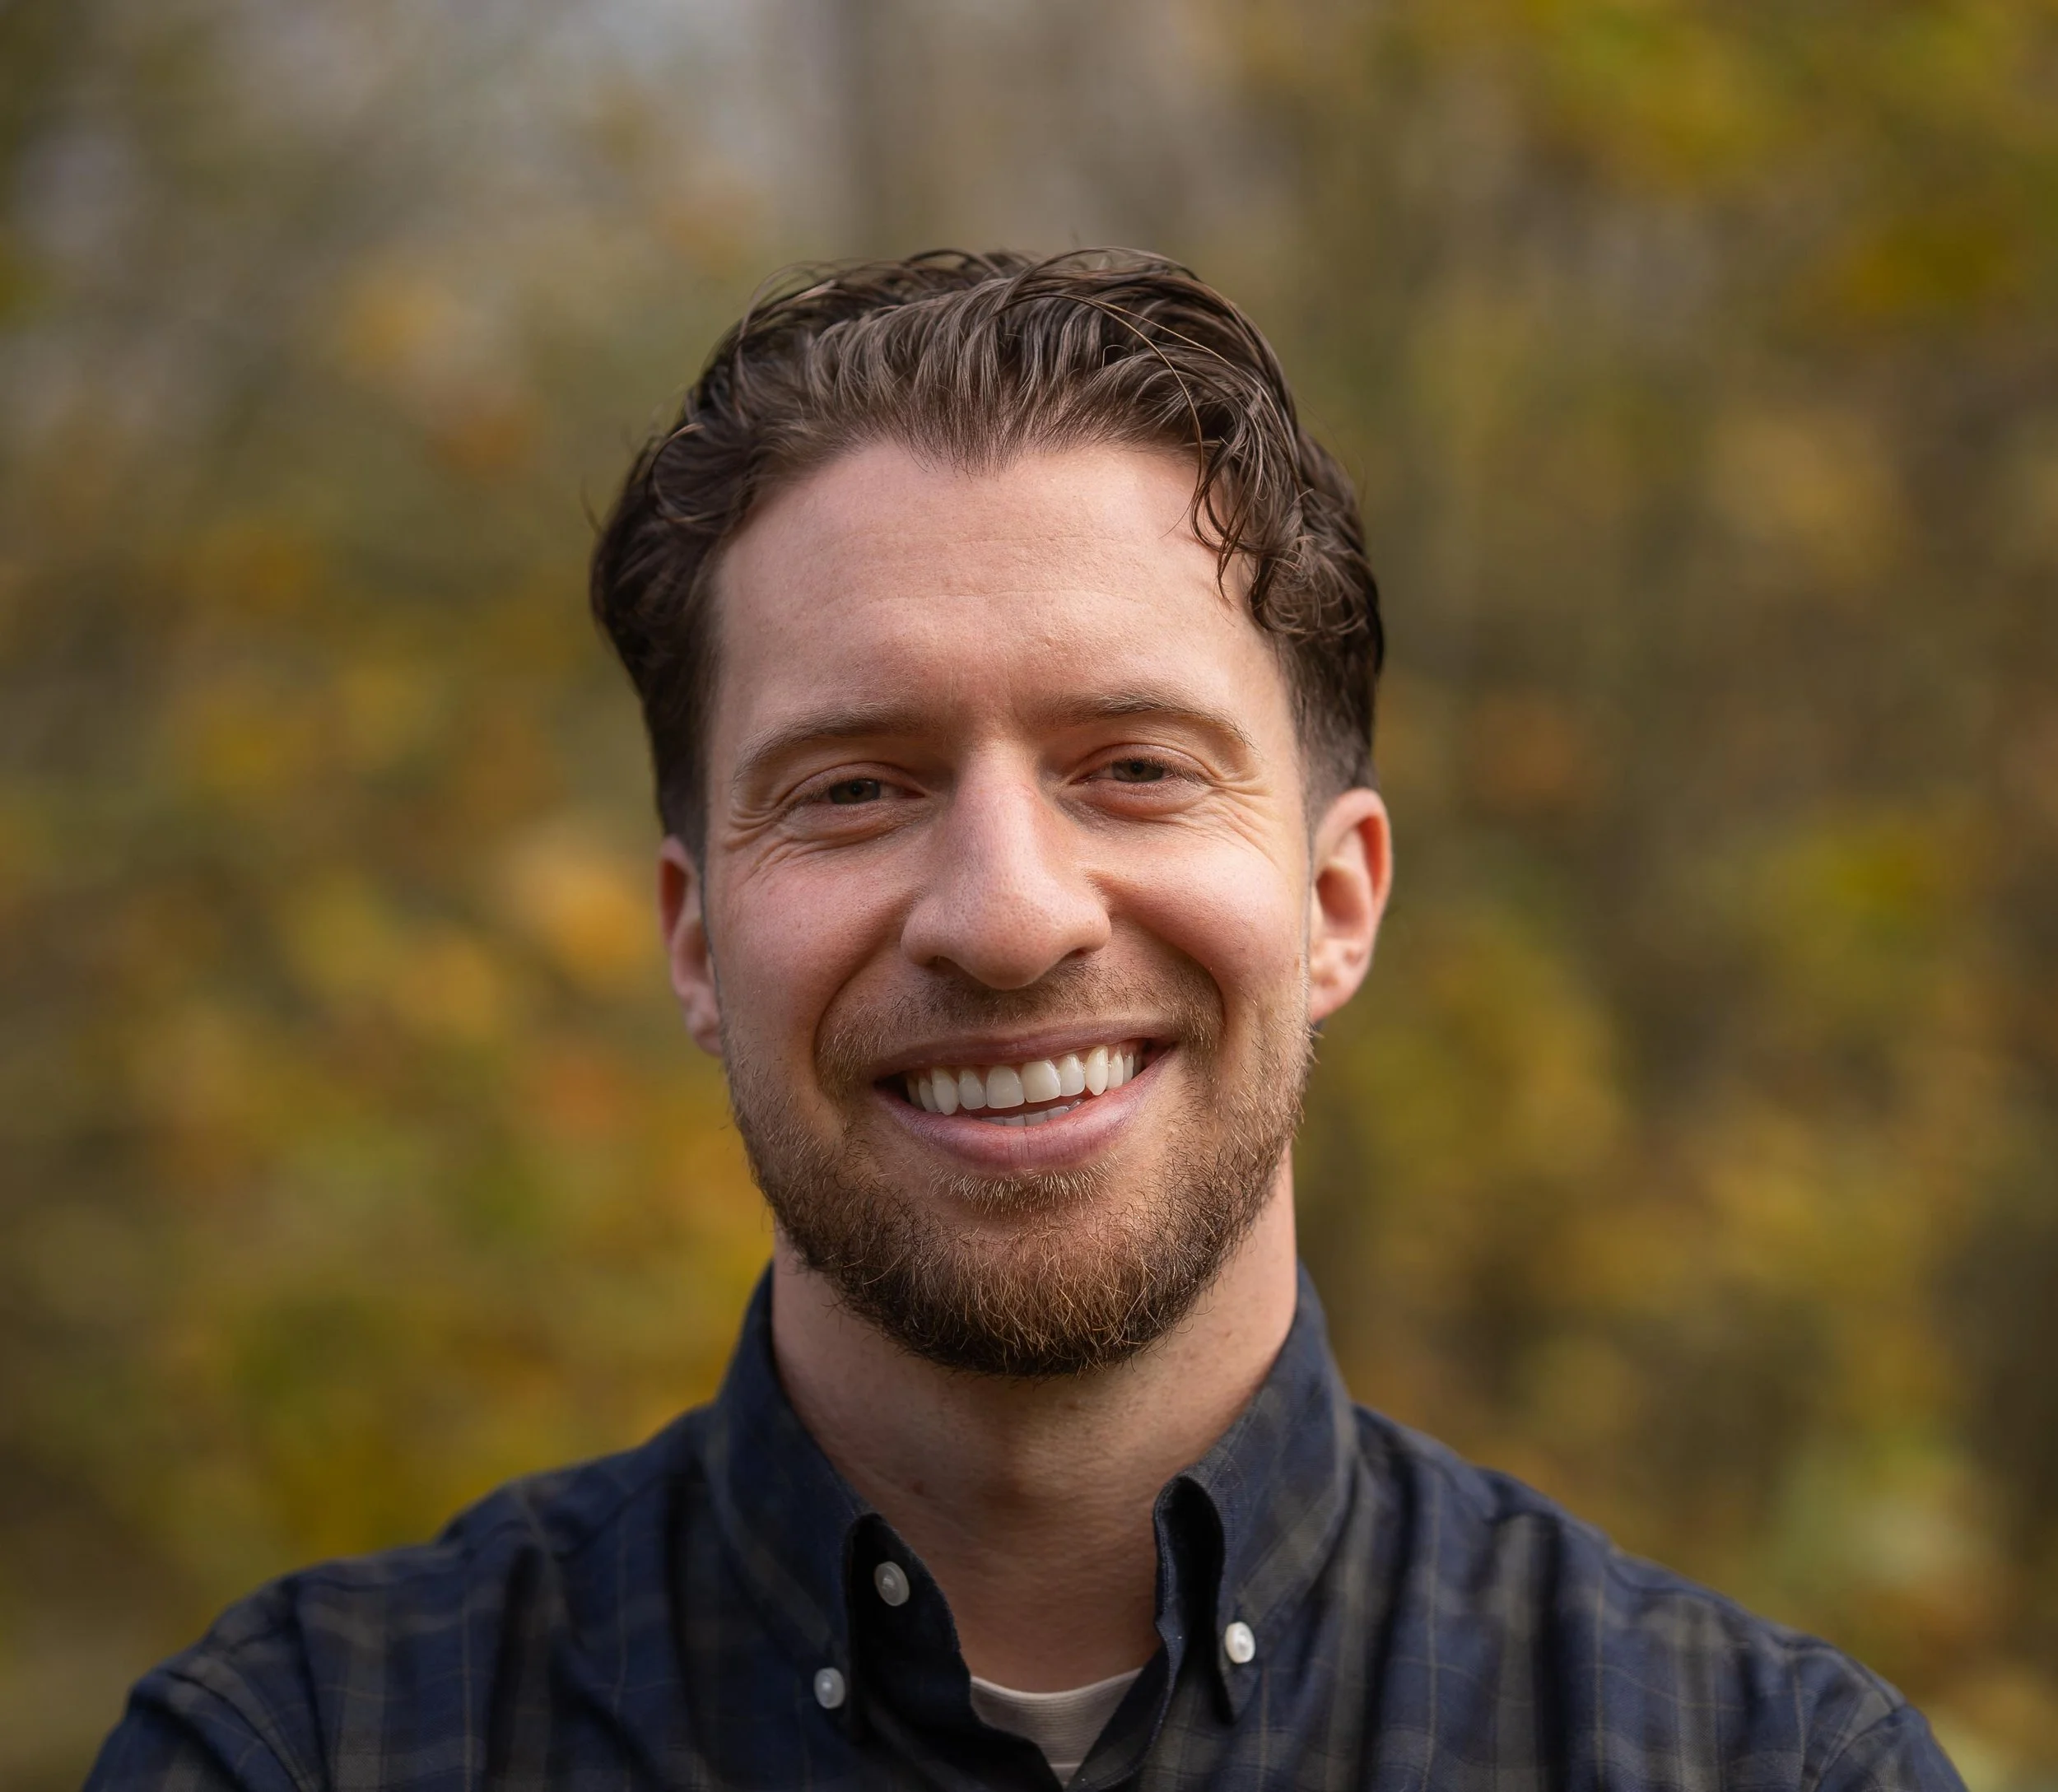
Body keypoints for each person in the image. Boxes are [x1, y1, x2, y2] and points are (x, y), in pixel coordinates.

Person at [86, 249, 1963, 1791]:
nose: (1003, 915)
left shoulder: (1760, 1761)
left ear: (1334, 900)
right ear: (690, 937)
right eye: (852, 787)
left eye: (1132, 766)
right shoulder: (304, 1748)